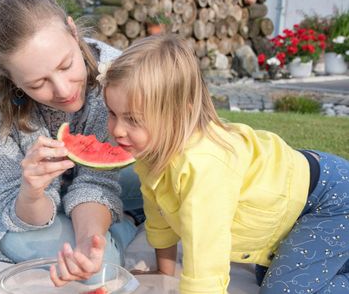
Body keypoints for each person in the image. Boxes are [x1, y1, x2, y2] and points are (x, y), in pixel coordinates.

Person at [101, 34, 349, 293]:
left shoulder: (204, 167)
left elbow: (206, 251)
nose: (117, 129)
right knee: (270, 275)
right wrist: (165, 271)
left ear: (180, 113)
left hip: (328, 200)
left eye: (133, 119)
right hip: (293, 206)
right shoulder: (152, 149)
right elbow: (158, 214)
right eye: (112, 113)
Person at [0, 0, 143, 283]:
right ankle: (125, 225)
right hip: (11, 206)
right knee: (98, 269)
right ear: (10, 78)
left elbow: (96, 180)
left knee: (167, 187)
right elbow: (21, 212)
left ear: (73, 31)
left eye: (66, 65)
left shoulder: (113, 73)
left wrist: (89, 240)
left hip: (83, 190)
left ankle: (118, 223)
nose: (63, 90)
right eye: (37, 83)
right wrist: (31, 190)